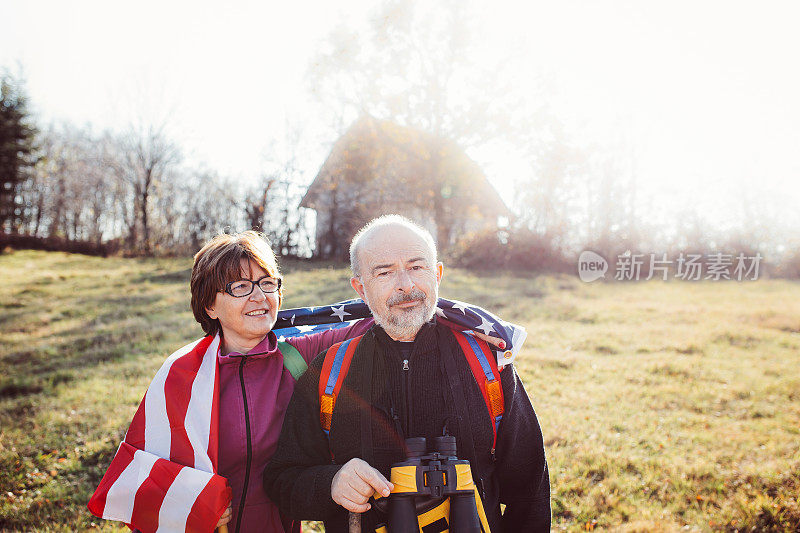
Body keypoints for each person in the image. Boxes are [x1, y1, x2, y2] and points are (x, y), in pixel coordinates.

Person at [88, 230, 508, 533]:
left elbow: (388, 308)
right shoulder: (182, 374)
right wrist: (194, 506)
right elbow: (139, 471)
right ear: (209, 304)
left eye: (267, 283)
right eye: (239, 286)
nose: (259, 296)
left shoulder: (303, 355)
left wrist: (486, 329)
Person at [263, 215, 551, 532]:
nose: (406, 285)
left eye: (416, 267)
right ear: (360, 288)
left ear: (437, 274)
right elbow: (282, 480)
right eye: (385, 272)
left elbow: (531, 488)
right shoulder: (328, 372)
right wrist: (330, 483)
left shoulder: (487, 363)